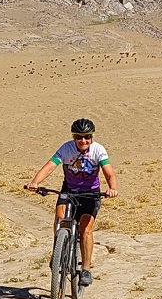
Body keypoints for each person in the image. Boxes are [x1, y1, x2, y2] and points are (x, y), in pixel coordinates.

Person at [23, 118, 118, 285]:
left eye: (87, 137)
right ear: (74, 137)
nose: (83, 140)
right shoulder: (66, 148)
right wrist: (35, 182)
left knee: (85, 230)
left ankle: (86, 269)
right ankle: (58, 252)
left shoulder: (98, 150)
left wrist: (112, 188)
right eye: (79, 137)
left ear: (92, 137)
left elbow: (109, 173)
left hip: (90, 193)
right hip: (69, 190)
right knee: (60, 219)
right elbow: (50, 166)